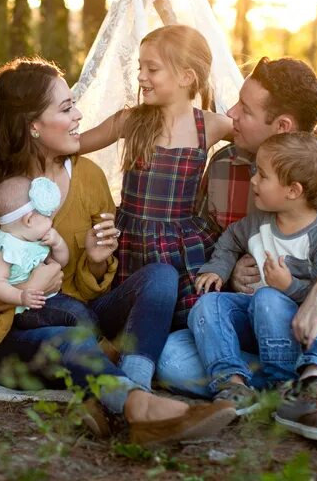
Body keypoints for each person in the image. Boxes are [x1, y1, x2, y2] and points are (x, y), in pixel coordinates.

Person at [0, 57, 238, 446]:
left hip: (81, 316)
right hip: (8, 338)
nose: (79, 115)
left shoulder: (89, 177)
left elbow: (90, 291)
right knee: (71, 336)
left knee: (161, 277)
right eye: (65, 109)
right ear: (32, 125)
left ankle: (129, 390)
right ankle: (138, 409)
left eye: (73, 104)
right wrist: (19, 289)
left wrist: (96, 262)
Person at [156, 57, 317, 446]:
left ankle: (316, 380)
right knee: (172, 360)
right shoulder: (225, 166)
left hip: (314, 320)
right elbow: (213, 243)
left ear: (283, 126)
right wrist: (229, 270)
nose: (231, 114)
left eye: (245, 109)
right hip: (252, 318)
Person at [79, 25, 233, 328]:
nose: (140, 77)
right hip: (130, 240)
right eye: (140, 67)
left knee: (188, 317)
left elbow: (265, 139)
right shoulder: (130, 120)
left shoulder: (210, 125)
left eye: (152, 69)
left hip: (181, 243)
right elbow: (76, 144)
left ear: (186, 77)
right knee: (130, 314)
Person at [189, 131, 317, 413]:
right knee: (208, 304)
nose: (254, 180)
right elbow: (231, 239)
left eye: (263, 175)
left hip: (291, 329)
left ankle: (281, 386)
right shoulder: (260, 221)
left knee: (268, 298)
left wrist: (289, 287)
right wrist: (218, 269)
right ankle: (232, 383)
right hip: (252, 320)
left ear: (293, 190)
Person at [0, 175, 77, 329]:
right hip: (20, 310)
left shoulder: (33, 239)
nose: (51, 221)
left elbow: (60, 262)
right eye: (47, 217)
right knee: (76, 314)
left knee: (80, 313)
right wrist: (20, 296)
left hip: (45, 300)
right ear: (29, 220)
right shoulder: (3, 249)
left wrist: (58, 243)